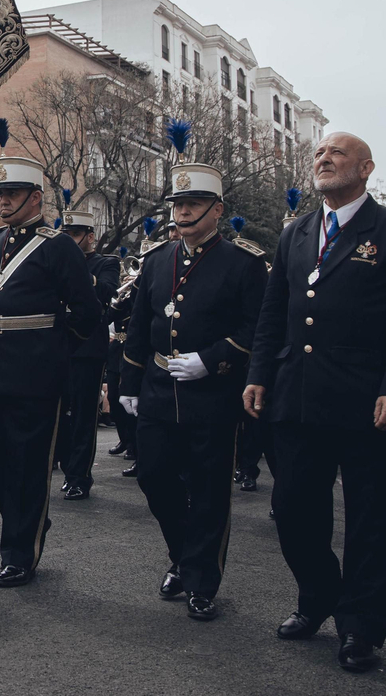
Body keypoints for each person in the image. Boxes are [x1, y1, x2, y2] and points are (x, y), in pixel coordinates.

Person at [244, 132, 386, 673]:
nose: (324, 159)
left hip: (369, 401)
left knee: (371, 519)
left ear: (366, 168)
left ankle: (361, 626)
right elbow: (273, 314)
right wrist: (259, 374)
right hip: (298, 396)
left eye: (337, 154)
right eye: (320, 153)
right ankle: (320, 595)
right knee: (293, 510)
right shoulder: (296, 232)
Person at [0, 135, 103, 588]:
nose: (4, 201)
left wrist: (54, 350)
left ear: (35, 198)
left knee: (29, 466)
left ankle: (18, 552)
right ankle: (28, 519)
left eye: (12, 194)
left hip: (35, 376)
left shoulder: (58, 247)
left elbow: (88, 313)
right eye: (1, 194)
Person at [117, 159, 266, 621]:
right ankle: (182, 555)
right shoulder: (158, 259)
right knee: (153, 477)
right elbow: (140, 323)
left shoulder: (244, 262)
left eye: (194, 204)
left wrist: (214, 358)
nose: (183, 214)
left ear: (216, 210)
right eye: (178, 204)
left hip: (213, 392)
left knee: (207, 490)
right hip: (161, 387)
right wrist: (129, 380)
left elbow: (256, 326)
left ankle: (201, 579)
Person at [57, 208, 119, 500]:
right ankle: (61, 463)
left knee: (83, 414)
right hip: (58, 343)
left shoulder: (106, 263)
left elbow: (106, 291)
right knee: (58, 412)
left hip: (88, 348)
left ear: (90, 237)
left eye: (75, 234)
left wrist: (77, 270)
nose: (69, 239)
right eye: (66, 234)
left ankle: (79, 475)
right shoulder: (57, 262)